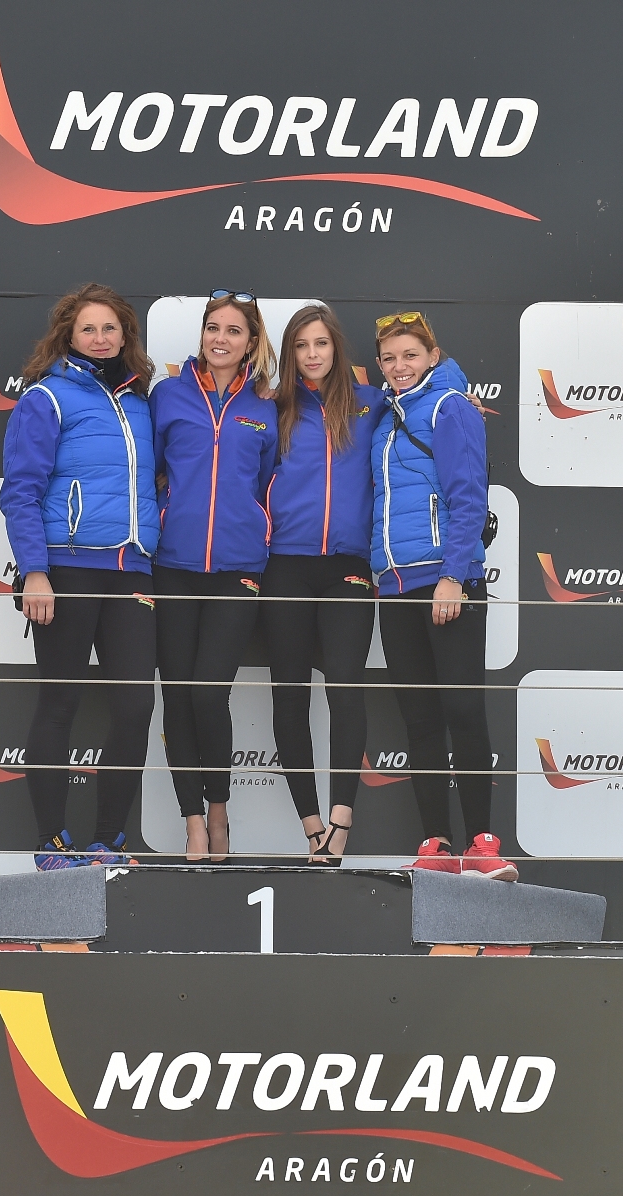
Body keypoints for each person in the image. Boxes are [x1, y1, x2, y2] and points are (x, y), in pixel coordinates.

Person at [0, 284, 159, 870]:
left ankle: (108, 842)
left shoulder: (140, 402)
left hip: (132, 571)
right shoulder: (46, 398)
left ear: (125, 335)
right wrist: (35, 572)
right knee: (59, 704)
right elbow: (21, 491)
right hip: (66, 569)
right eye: (88, 328)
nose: (100, 337)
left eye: (110, 327)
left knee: (135, 709)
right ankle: (51, 844)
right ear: (68, 334)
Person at [370, 312, 517, 880]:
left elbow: (469, 495)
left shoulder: (451, 406)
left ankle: (482, 844)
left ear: (432, 356)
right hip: (395, 584)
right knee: (420, 719)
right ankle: (436, 844)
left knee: (461, 709)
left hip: (445, 580)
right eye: (389, 358)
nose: (400, 366)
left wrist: (454, 575)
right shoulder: (383, 417)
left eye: (410, 355)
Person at [150, 292, 278, 860]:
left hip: (238, 569)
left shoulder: (267, 406)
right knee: (177, 695)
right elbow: (151, 470)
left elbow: (269, 481)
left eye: (233, 330)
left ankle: (220, 809)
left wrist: (255, 525)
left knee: (208, 691)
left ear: (251, 342)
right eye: (212, 328)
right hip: (174, 565)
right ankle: (194, 822)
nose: (220, 338)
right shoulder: (168, 396)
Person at [262, 305, 382, 864]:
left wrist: (460, 396)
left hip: (348, 565)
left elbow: (428, 397)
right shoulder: (273, 408)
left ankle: (341, 819)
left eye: (321, 343)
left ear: (337, 347)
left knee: (345, 688)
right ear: (290, 353)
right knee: (289, 694)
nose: (312, 354)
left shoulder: (371, 404)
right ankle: (310, 826)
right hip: (284, 564)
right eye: (301, 345)